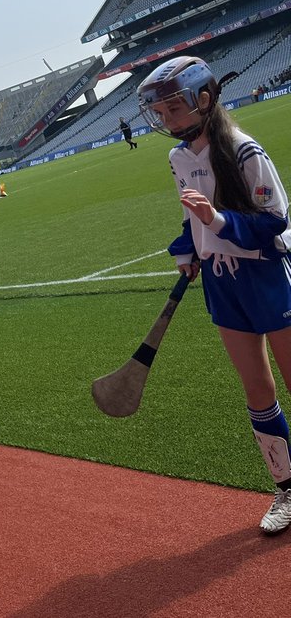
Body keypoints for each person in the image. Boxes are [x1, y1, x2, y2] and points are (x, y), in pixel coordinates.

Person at [138, 55, 291, 534]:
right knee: (257, 391)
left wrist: (217, 222)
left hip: (266, 275)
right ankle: (286, 486)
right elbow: (191, 215)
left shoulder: (245, 152)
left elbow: (275, 222)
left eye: (174, 109)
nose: (168, 121)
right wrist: (189, 248)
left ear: (204, 99)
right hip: (224, 285)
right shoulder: (178, 157)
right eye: (160, 114)